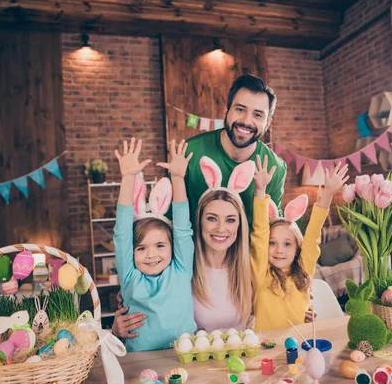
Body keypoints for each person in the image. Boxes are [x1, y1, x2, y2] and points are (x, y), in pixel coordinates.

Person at [112, 138, 196, 351]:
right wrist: (128, 178)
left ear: (172, 246)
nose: (151, 255)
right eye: (141, 248)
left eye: (160, 245)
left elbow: (183, 229)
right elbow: (122, 234)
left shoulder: (181, 268)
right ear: (131, 253)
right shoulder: (130, 276)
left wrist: (177, 178)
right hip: (140, 363)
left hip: (185, 358)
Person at [250, 156, 348, 332]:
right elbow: (259, 233)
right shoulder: (260, 272)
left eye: (287, 244)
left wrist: (328, 193)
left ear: (297, 249)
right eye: (272, 242)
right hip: (265, 348)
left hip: (299, 346)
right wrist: (260, 190)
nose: (279, 250)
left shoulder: (303, 269)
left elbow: (312, 235)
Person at [184, 74, 287, 226]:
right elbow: (172, 218)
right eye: (240, 109)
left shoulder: (275, 168)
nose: (246, 121)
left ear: (267, 123)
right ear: (226, 111)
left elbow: (272, 226)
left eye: (258, 115)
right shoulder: (190, 152)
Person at [191, 157, 255, 331]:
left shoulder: (250, 267)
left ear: (239, 225)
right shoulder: (183, 270)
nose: (221, 228)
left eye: (230, 220)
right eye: (211, 218)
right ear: (200, 221)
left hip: (242, 356)